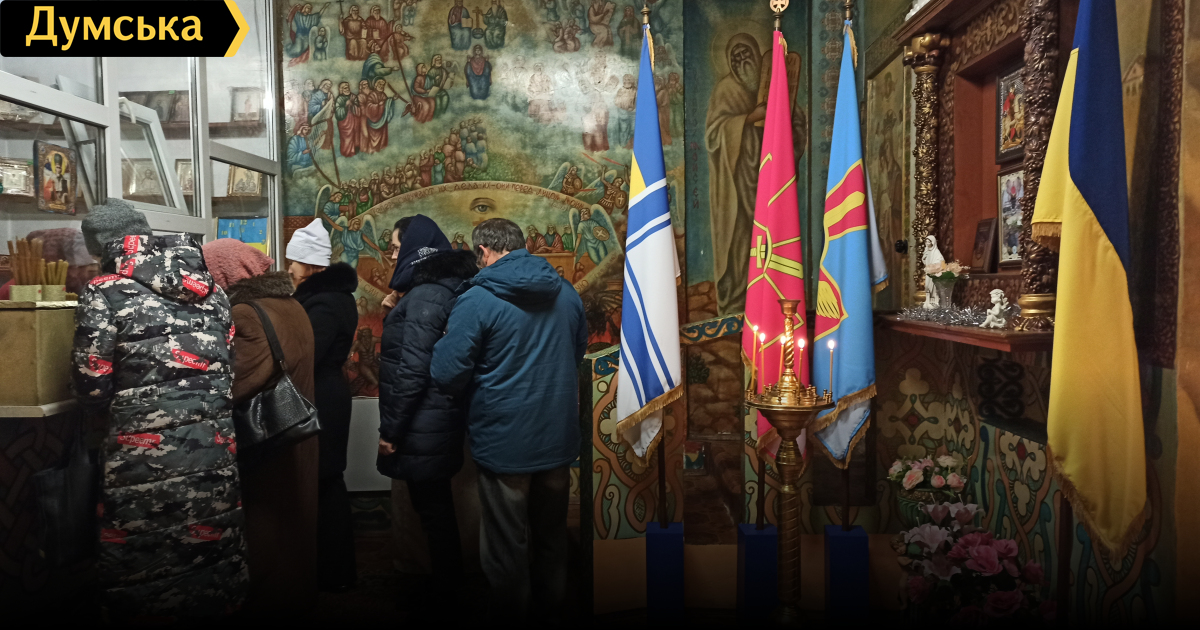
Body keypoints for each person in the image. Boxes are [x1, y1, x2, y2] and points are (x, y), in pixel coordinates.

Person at [72, 200, 246, 619]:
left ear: (101, 248)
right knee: (209, 547)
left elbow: (91, 384)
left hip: (142, 455)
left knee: (143, 556)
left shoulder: (103, 292)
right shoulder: (212, 290)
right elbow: (228, 366)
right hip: (214, 448)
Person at [431, 219, 587, 622]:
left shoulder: (477, 299)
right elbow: (576, 355)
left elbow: (447, 372)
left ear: (483, 252)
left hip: (505, 441)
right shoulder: (567, 293)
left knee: (506, 545)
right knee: (552, 537)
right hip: (557, 436)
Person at [202, 239, 319, 618]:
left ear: (224, 275)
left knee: (267, 527)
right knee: (295, 525)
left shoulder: (246, 312)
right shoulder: (289, 303)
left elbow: (237, 382)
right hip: (294, 431)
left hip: (268, 439)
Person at [377, 215, 478, 609]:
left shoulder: (426, 295)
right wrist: (394, 308)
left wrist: (391, 431)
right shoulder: (435, 290)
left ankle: (446, 597)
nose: (391, 255)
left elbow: (412, 369)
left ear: (413, 248)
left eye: (395, 247)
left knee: (434, 511)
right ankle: (448, 588)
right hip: (433, 418)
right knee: (435, 508)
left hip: (422, 421)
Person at [286, 220, 359, 592]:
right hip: (325, 394)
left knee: (325, 480)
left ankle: (333, 572)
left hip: (322, 398)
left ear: (311, 266)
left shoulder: (325, 302)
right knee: (325, 480)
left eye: (294, 263)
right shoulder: (331, 297)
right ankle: (331, 569)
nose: (289, 270)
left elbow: (307, 355)